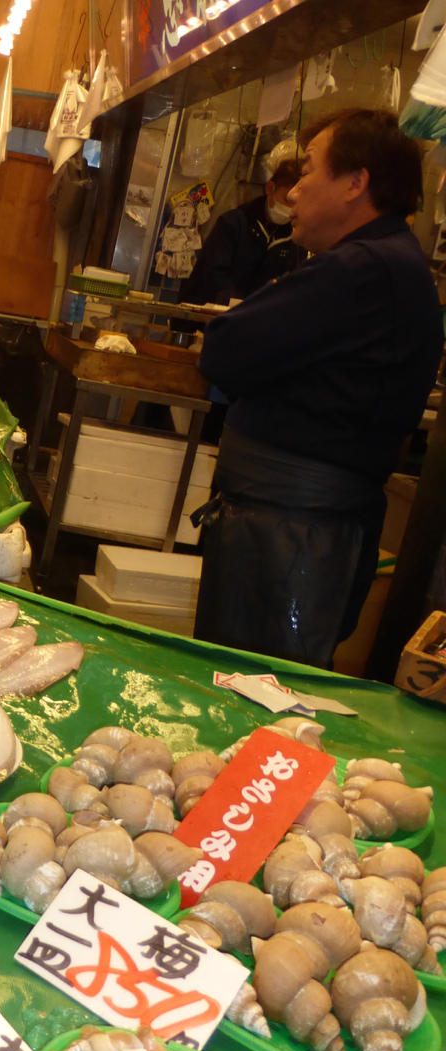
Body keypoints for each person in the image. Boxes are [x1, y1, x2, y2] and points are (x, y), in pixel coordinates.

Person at [194, 109, 444, 668]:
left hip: (293, 536)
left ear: (356, 182)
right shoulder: (386, 263)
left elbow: (225, 349)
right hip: (296, 528)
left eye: (308, 169)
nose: (295, 189)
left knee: (257, 689)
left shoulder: (363, 268)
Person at [179, 158, 306, 305]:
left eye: (298, 203)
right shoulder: (232, 223)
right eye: (287, 200)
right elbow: (214, 275)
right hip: (209, 312)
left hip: (256, 315)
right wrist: (241, 307)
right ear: (270, 189)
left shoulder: (296, 239)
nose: (291, 209)